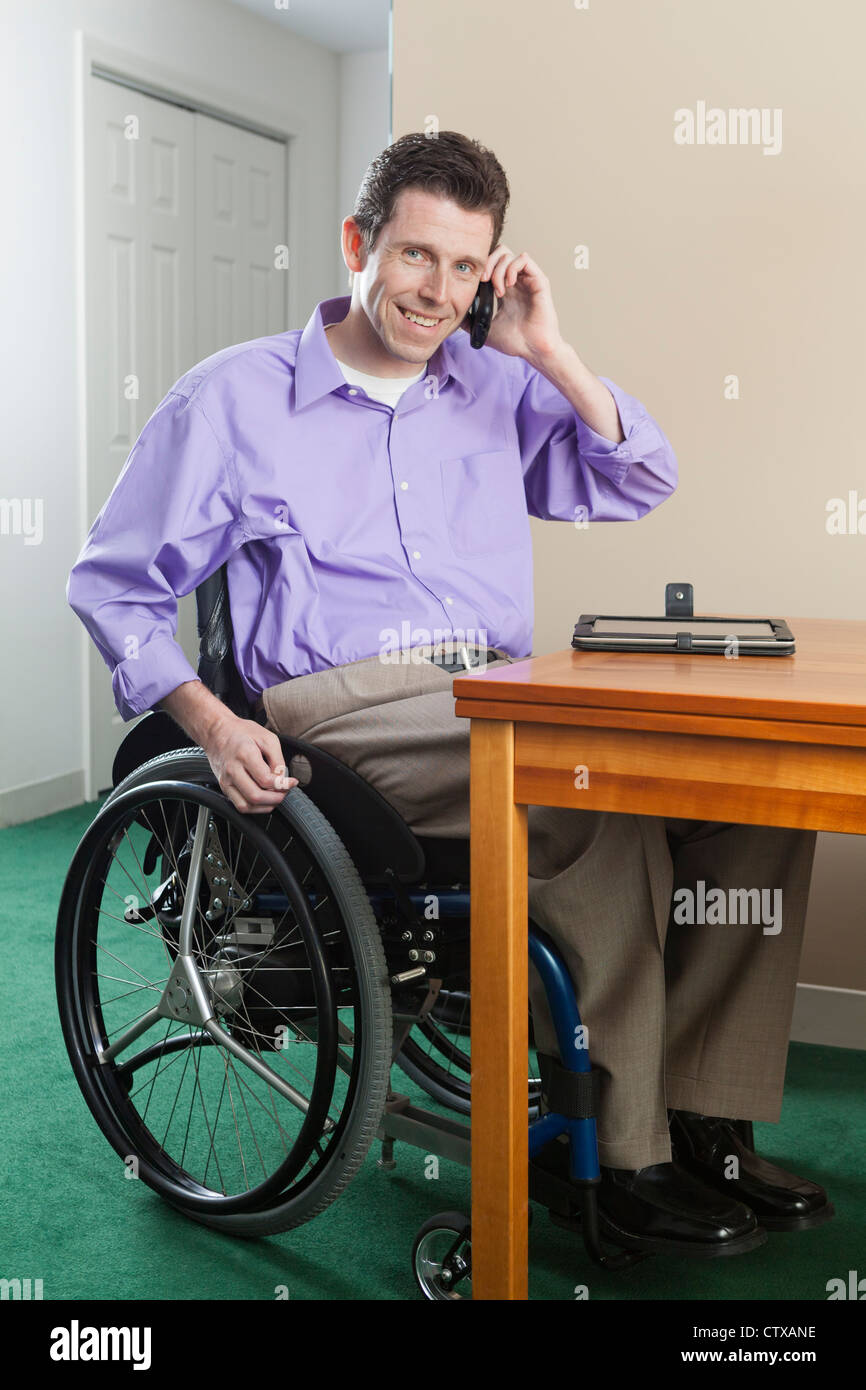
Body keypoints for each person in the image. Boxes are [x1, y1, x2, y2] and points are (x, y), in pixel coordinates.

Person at [67, 130, 831, 1258]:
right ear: (356, 244)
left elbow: (638, 477)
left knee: (748, 793)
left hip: (498, 687)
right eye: (416, 256)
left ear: (490, 274)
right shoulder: (231, 401)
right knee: (592, 802)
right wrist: (211, 720)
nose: (437, 291)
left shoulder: (491, 384)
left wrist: (548, 349)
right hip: (344, 711)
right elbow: (113, 585)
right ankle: (622, 1155)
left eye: (464, 267)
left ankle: (703, 1117)